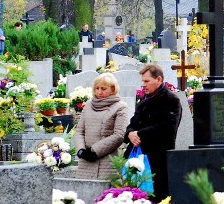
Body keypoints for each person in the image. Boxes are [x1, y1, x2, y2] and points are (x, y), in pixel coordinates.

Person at [124, 64, 181, 202]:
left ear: (159, 80)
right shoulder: (144, 99)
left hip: (157, 159)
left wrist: (140, 134)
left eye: (147, 81)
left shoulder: (171, 100)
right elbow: (133, 123)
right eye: (142, 81)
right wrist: (130, 134)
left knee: (156, 197)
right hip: (137, 156)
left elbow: (168, 128)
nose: (143, 85)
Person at [75, 73, 131, 179]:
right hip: (86, 160)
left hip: (107, 161)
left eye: (103, 89)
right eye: (97, 88)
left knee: (104, 194)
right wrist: (81, 150)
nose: (99, 92)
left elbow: (119, 135)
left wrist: (95, 151)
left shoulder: (120, 107)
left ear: (113, 89)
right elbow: (80, 131)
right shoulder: (88, 105)